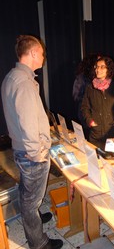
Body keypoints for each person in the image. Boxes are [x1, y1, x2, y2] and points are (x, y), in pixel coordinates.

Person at [1, 35, 63, 249]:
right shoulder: (24, 83)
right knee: (31, 201)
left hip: (20, 149)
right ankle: (39, 242)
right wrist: (37, 153)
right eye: (42, 53)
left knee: (26, 193)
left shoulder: (12, 77)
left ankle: (33, 219)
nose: (44, 57)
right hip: (31, 154)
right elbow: (27, 122)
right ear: (34, 53)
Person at [81, 56, 114, 152]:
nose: (98, 69)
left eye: (102, 67)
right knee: (97, 164)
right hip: (96, 134)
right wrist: (90, 121)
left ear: (109, 69)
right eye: (96, 67)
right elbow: (84, 107)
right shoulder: (90, 87)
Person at [72, 53, 100, 139]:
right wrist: (88, 98)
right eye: (97, 65)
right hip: (85, 113)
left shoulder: (100, 78)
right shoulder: (82, 77)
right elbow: (75, 95)